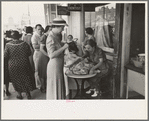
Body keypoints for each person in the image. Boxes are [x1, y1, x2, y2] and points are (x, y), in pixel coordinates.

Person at [4, 31, 36, 99]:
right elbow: (29, 53)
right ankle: (28, 94)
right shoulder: (24, 43)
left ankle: (19, 95)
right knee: (26, 78)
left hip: (13, 65)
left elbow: (5, 56)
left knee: (16, 79)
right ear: (19, 36)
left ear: (11, 37)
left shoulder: (8, 45)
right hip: (24, 63)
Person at [46, 17, 69, 100]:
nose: (62, 30)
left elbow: (56, 47)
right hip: (54, 66)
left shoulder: (56, 36)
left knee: (58, 85)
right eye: (62, 28)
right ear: (57, 27)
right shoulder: (50, 38)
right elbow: (51, 55)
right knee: (55, 86)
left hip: (58, 64)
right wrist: (64, 47)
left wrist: (63, 44)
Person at [38, 25, 52, 93]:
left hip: (46, 55)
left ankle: (45, 86)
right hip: (44, 56)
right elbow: (41, 49)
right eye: (51, 30)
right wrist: (48, 55)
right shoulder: (44, 37)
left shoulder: (48, 36)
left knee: (46, 72)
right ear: (48, 30)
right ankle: (43, 87)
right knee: (43, 72)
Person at [31, 24, 43, 90]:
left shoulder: (42, 35)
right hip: (37, 54)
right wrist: (43, 45)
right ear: (35, 29)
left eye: (41, 29)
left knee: (42, 70)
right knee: (37, 70)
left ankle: (43, 84)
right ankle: (39, 85)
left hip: (42, 54)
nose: (40, 30)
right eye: (38, 29)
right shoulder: (34, 36)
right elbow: (35, 47)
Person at [4, 30, 12, 96]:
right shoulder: (7, 42)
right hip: (5, 61)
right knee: (6, 76)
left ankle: (5, 90)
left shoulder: (6, 42)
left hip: (5, 60)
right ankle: (7, 90)